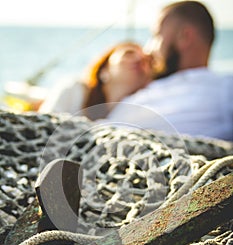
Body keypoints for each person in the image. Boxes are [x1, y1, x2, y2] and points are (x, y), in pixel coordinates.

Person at [107, 1, 233, 141]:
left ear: (184, 37)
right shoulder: (151, 86)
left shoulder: (223, 90)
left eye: (157, 36)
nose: (148, 50)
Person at [39, 41, 153, 120]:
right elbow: (42, 126)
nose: (139, 59)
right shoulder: (74, 90)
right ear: (104, 69)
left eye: (146, 60)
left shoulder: (140, 111)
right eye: (128, 53)